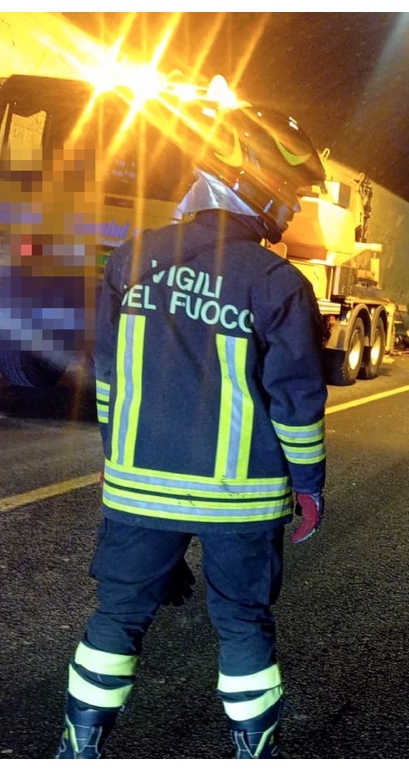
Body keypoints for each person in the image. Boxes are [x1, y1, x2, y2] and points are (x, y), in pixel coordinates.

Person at [55, 98, 330, 759]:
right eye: (288, 194)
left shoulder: (129, 261)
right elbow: (296, 404)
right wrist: (311, 487)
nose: (292, 211)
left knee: (115, 619)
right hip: (241, 502)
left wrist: (115, 457)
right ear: (252, 180)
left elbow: (111, 383)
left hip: (138, 491)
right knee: (242, 624)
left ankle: (76, 750)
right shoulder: (278, 283)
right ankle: (250, 753)